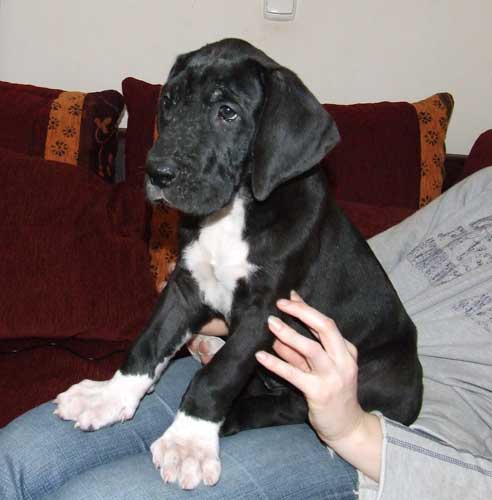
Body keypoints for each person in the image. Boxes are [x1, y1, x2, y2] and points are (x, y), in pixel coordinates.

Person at [1, 167, 492, 499]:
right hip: (275, 360)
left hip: (386, 441)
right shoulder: (484, 188)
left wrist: (350, 426)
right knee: (16, 459)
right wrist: (223, 309)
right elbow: (352, 268)